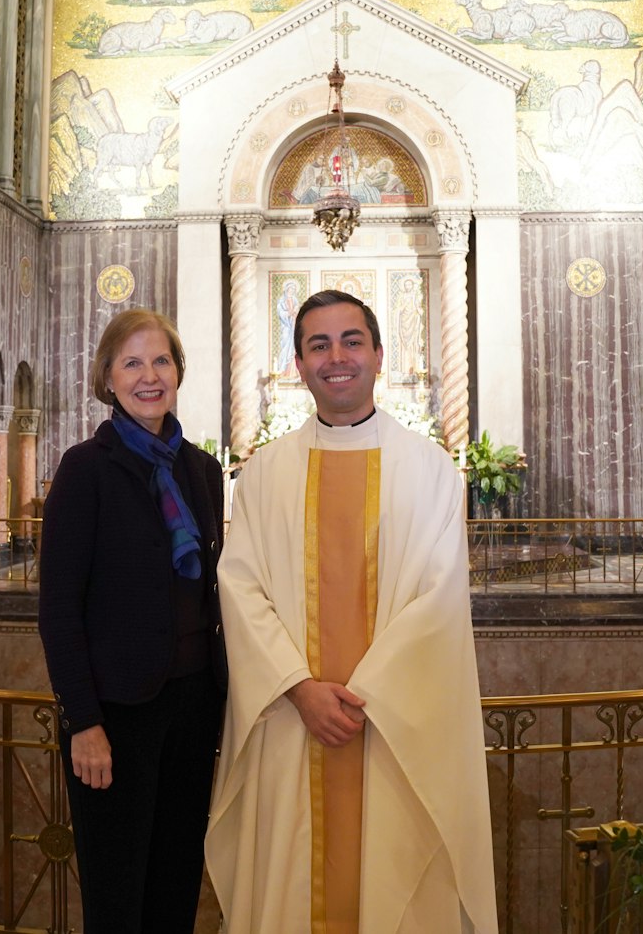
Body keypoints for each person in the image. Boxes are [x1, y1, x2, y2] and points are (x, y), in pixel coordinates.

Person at [206, 289, 497, 933]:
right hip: (291, 722)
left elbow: (440, 598)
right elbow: (241, 586)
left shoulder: (431, 471)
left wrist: (363, 697)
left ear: (379, 356)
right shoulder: (265, 473)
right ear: (299, 366)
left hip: (392, 732)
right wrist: (301, 689)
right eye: (319, 345)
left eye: (351, 341)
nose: (337, 357)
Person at [38, 309, 226, 934]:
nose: (150, 376)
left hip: (194, 708)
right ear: (109, 379)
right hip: (117, 715)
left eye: (161, 361)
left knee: (175, 884)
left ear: (178, 372)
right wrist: (83, 722)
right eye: (132, 363)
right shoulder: (85, 469)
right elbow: (59, 609)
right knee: (117, 894)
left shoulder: (200, 470)